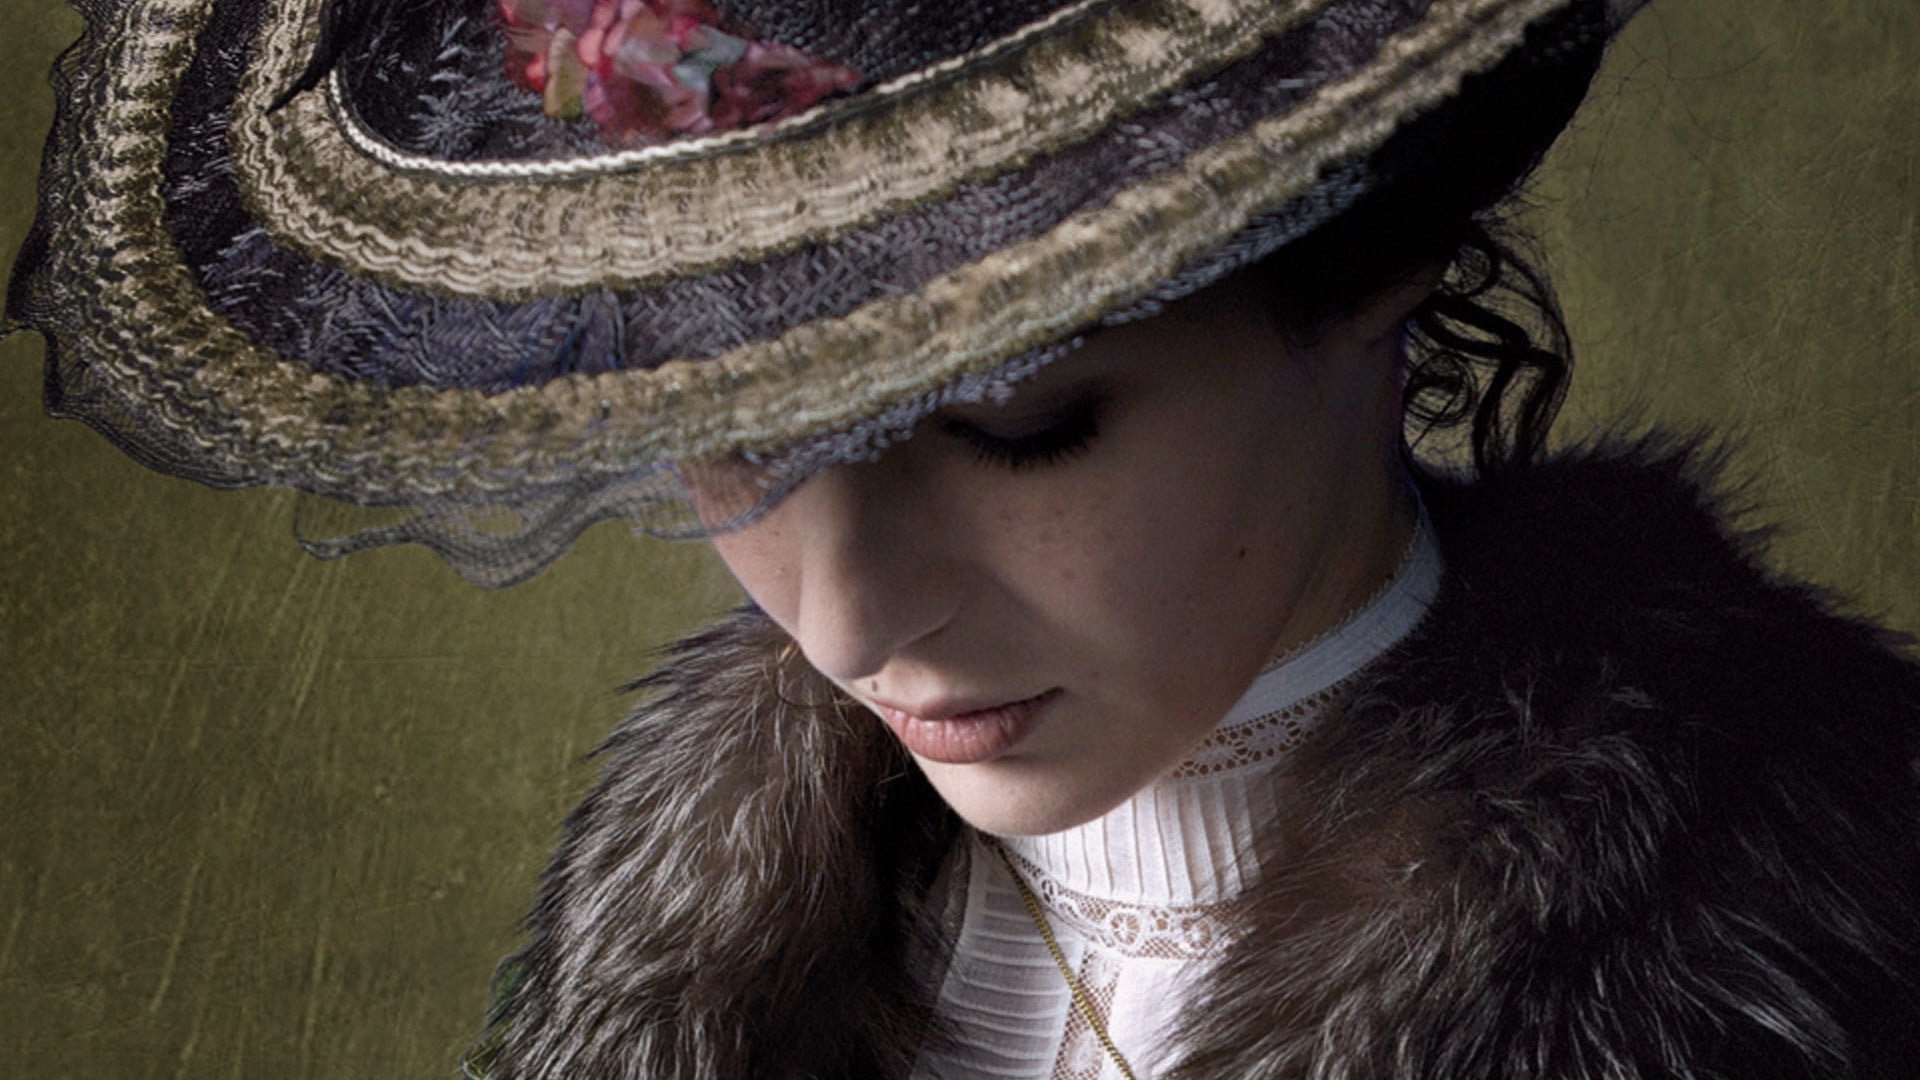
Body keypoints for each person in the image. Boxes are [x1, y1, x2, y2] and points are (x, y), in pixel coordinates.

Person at [6, 0, 1916, 1076]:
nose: (845, 624)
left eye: (1018, 426)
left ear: (1374, 270)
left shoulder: (1838, 934)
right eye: (725, 438)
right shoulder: (696, 935)